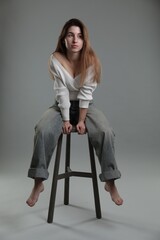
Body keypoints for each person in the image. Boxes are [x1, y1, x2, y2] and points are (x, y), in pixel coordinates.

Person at [26, 18, 123, 207]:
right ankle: (38, 182)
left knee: (105, 131)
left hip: (86, 106)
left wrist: (81, 120)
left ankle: (110, 182)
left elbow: (86, 94)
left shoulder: (91, 61)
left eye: (79, 36)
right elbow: (61, 92)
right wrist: (64, 118)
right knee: (42, 129)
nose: (75, 40)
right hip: (60, 105)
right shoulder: (55, 59)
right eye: (70, 35)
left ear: (84, 40)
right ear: (64, 38)